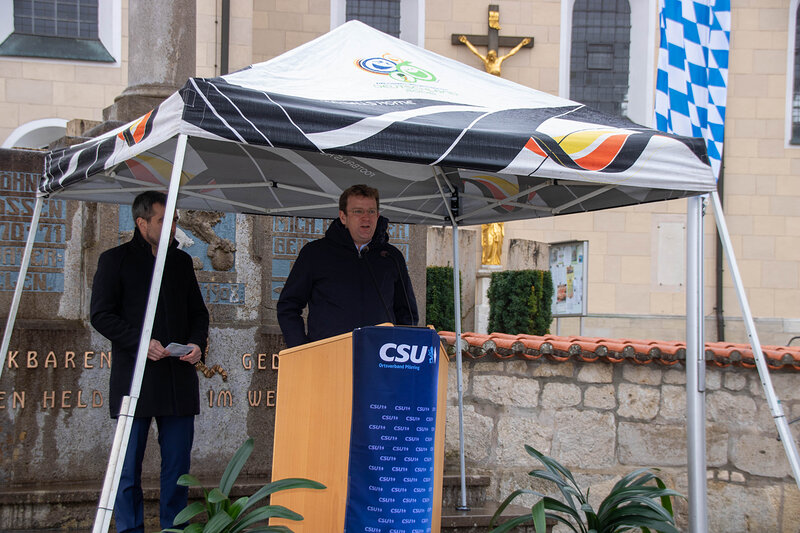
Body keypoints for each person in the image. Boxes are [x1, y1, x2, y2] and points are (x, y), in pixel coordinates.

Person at [90, 191, 209, 533]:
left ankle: (174, 528)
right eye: (163, 219)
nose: (171, 225)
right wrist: (141, 343)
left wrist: (197, 344)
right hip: (135, 380)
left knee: (177, 469)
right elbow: (101, 315)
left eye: (173, 219)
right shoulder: (115, 261)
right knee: (128, 471)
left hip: (178, 380)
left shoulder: (182, 262)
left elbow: (198, 314)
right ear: (142, 223)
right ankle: (130, 529)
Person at [277, 184, 418, 348]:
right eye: (358, 211)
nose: (366, 218)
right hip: (328, 360)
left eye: (371, 211)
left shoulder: (391, 257)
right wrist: (301, 348)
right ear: (343, 217)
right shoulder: (315, 254)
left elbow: (407, 313)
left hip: (380, 360)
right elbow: (288, 306)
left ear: (378, 215)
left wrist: (402, 350)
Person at [458, 34, 531, 76]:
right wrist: (466, 42)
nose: (491, 58)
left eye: (492, 56)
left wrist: (521, 44)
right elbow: (476, 52)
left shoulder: (499, 60)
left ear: (495, 56)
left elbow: (511, 53)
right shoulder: (486, 61)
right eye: (490, 57)